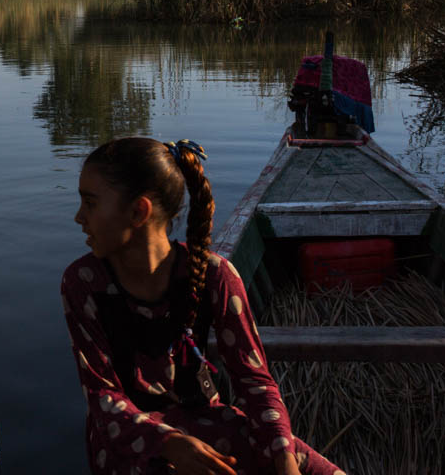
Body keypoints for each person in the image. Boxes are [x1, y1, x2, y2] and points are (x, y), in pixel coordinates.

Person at [62, 138, 343, 475]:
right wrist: (168, 442)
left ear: (138, 211)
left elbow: (255, 383)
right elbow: (102, 398)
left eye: (90, 203)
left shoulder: (215, 275)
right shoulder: (83, 283)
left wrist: (283, 457)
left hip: (206, 423)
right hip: (129, 438)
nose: (79, 217)